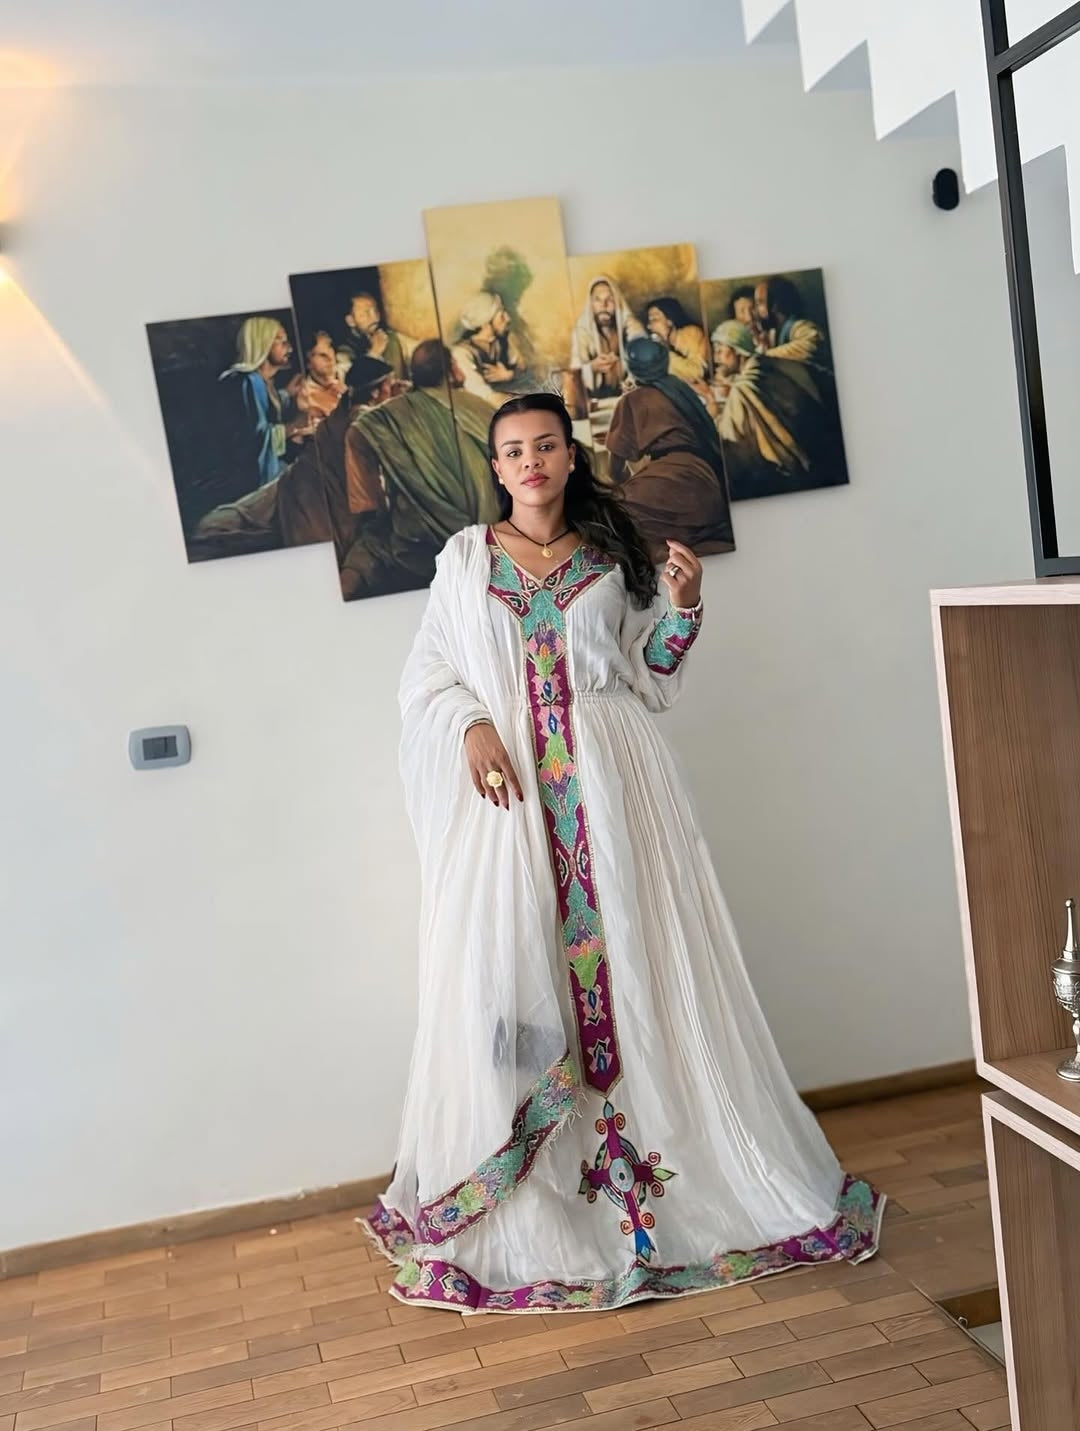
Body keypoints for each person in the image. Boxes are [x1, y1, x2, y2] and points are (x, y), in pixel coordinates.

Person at [363, 390, 882, 1313]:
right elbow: (426, 676)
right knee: (510, 980)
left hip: (616, 796)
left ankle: (664, 1194)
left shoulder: (611, 559)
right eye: (514, 449)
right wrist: (474, 723)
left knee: (642, 971)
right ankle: (535, 1200)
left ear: (571, 456)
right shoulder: (465, 561)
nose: (531, 461)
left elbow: (649, 677)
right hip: (513, 806)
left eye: (547, 446)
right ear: (497, 465)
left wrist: (684, 605)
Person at [339, 342, 503, 598]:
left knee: (367, 549)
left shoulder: (389, 413)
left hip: (419, 541)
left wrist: (371, 502)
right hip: (483, 535)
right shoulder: (479, 407)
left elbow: (357, 433)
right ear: (451, 369)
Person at [604, 336, 733, 557]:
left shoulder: (631, 400)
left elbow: (614, 469)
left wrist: (627, 485)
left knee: (611, 513)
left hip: (670, 483)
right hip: (706, 480)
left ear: (632, 367)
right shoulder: (680, 389)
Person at [218, 317, 313, 489]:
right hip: (251, 482)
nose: (290, 348)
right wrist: (296, 426)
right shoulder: (247, 380)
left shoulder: (261, 381)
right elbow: (257, 439)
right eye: (281, 342)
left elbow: (265, 407)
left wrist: (287, 393)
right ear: (263, 344)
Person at [570, 275, 645, 398]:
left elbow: (645, 355)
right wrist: (593, 367)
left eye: (610, 299)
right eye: (597, 299)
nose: (603, 305)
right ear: (591, 304)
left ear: (617, 302)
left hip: (629, 397)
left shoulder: (629, 324)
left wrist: (626, 369)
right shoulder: (582, 330)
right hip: (596, 400)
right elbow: (574, 374)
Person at [451, 291, 524, 407]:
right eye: (501, 315)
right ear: (486, 323)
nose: (508, 318)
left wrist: (510, 374)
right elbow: (486, 396)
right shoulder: (462, 353)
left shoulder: (503, 340)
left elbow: (524, 369)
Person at [337, 291, 418, 384]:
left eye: (375, 311)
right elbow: (351, 383)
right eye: (366, 313)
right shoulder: (345, 352)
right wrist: (374, 353)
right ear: (350, 321)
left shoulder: (392, 338)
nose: (375, 318)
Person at [754, 277, 826, 366]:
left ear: (775, 304)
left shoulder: (800, 326)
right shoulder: (773, 333)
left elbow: (811, 346)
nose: (757, 310)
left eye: (760, 303)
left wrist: (766, 354)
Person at [644, 296, 710, 384]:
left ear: (670, 321)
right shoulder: (652, 346)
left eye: (655, 319)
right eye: (649, 321)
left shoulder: (691, 334)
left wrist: (665, 353)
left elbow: (696, 373)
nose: (649, 326)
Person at [302, 330, 348, 421]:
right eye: (322, 355)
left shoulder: (349, 373)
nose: (330, 359)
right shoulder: (306, 396)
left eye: (331, 351)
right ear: (309, 362)